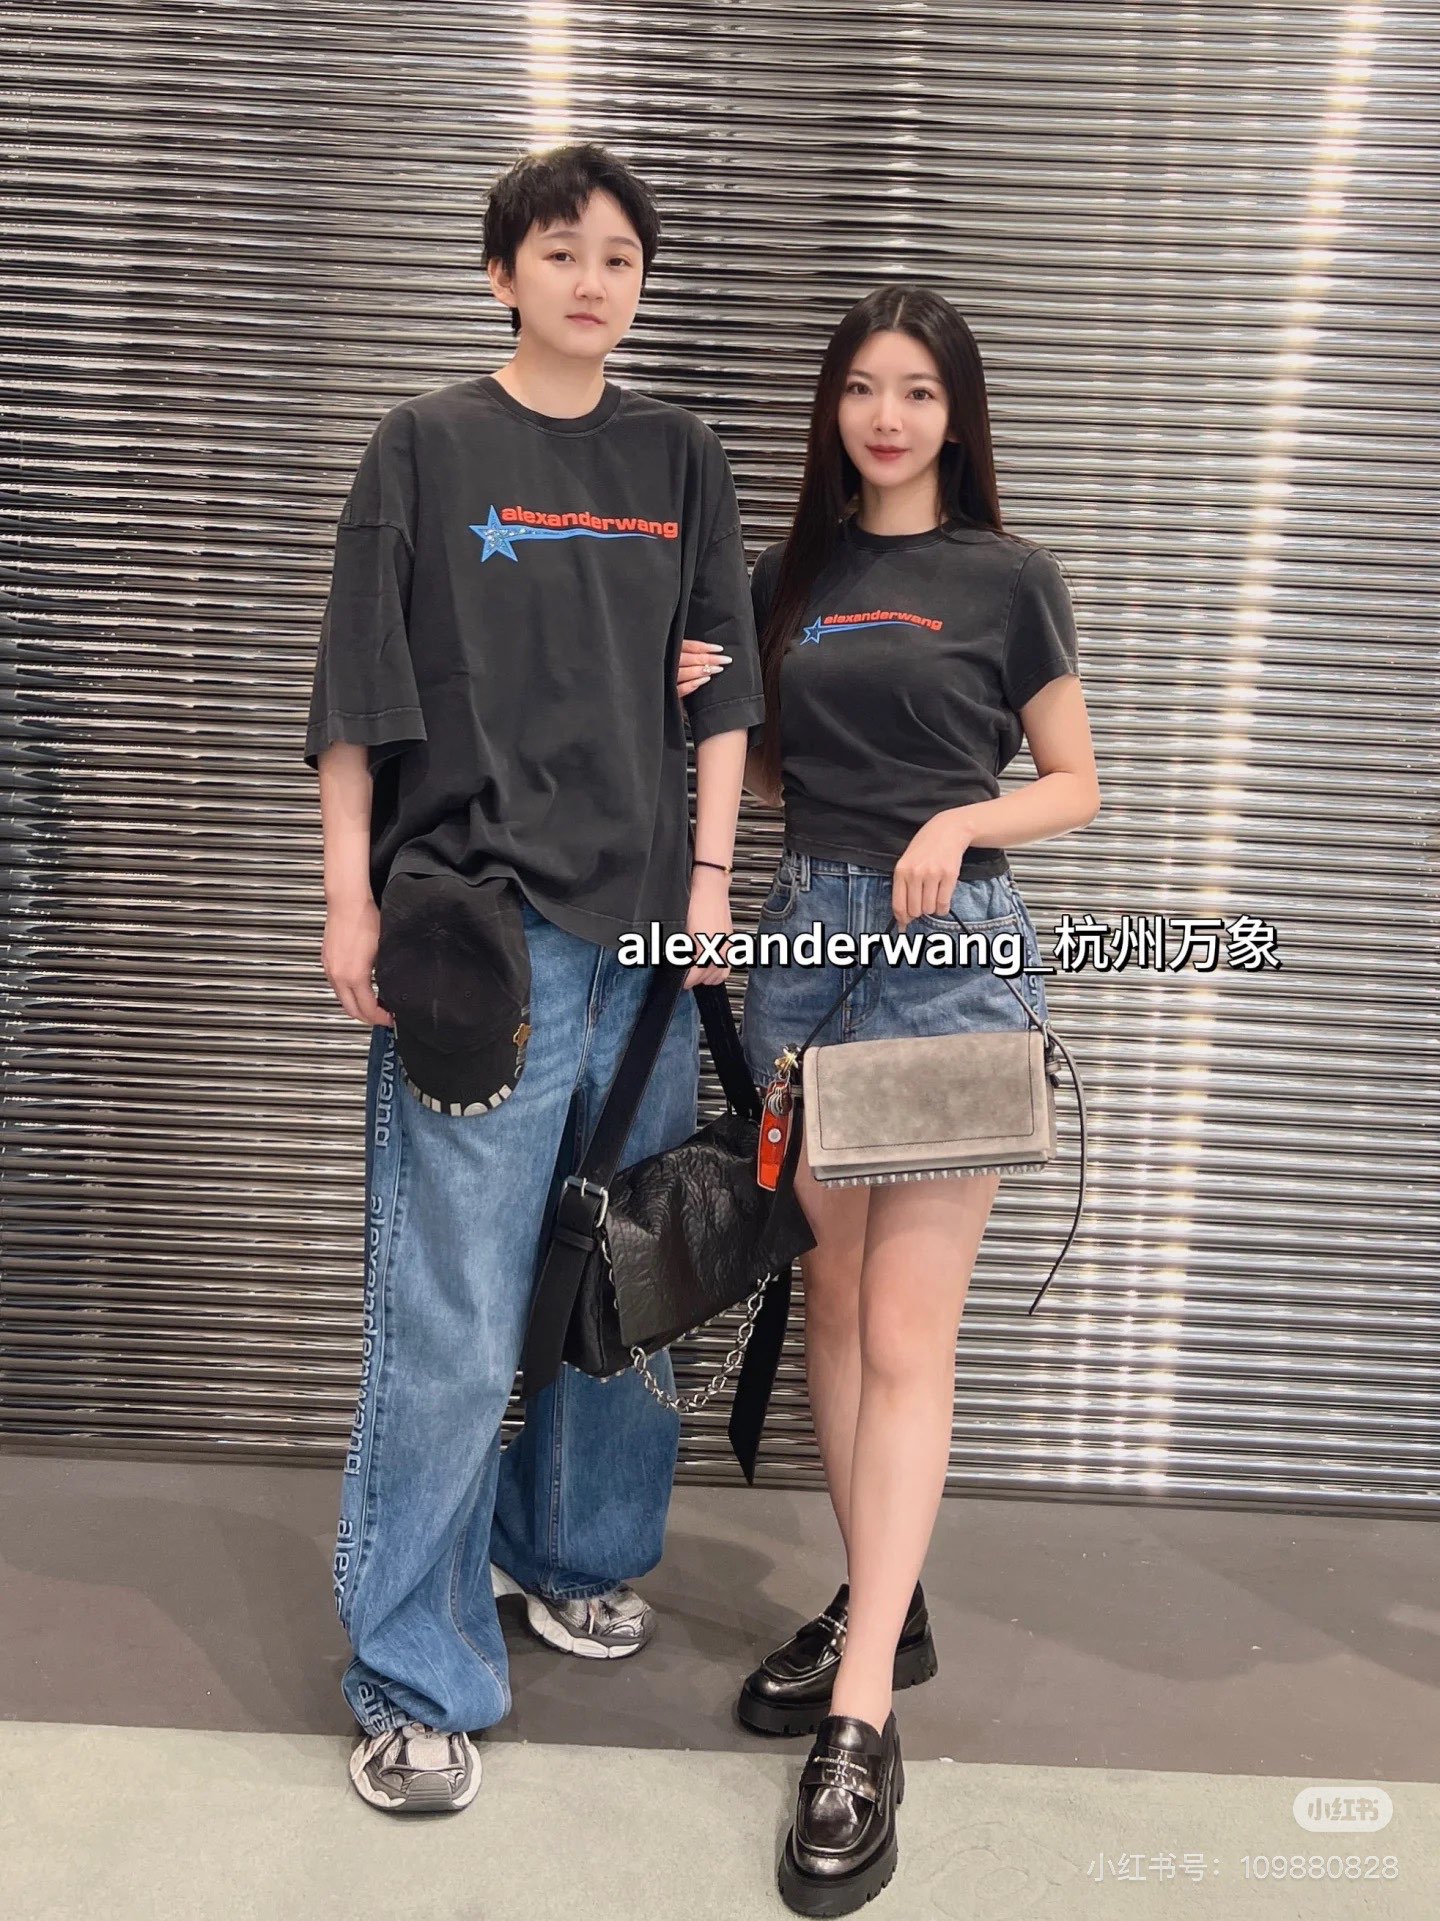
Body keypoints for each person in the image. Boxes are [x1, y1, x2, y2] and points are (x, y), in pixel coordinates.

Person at [304, 142, 763, 1815]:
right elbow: (357, 692)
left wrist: (707, 889)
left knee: (629, 1278)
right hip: (475, 936)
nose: (593, 279)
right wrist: (346, 900)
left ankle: (570, 1546)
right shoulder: (425, 447)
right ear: (503, 273)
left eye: (620, 257)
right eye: (561, 251)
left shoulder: (679, 455)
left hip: (643, 944)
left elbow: (722, 693)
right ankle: (414, 1668)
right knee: (451, 1311)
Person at [679, 285, 1100, 1913]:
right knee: (839, 1309)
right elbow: (781, 765)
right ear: (833, 409)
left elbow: (1077, 780)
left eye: (917, 390)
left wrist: (963, 818)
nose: (887, 415)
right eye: (862, 387)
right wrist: (695, 698)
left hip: (951, 959)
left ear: (955, 413)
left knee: (910, 1332)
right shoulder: (790, 579)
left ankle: (861, 1722)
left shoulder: (1008, 578)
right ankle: (884, 1602)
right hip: (806, 948)